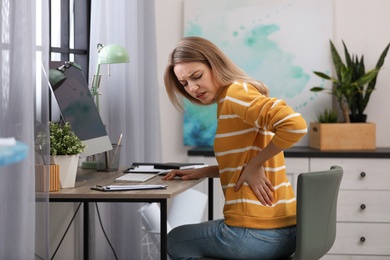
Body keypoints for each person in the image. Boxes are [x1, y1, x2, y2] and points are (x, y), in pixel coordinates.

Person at [162, 36, 307, 260]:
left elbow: (295, 125)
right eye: (184, 84)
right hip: (286, 233)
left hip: (255, 234)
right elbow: (245, 161)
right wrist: (205, 171)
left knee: (175, 240)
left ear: (215, 64)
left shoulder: (235, 95)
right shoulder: (233, 99)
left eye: (197, 76)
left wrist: (254, 164)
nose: (192, 88)